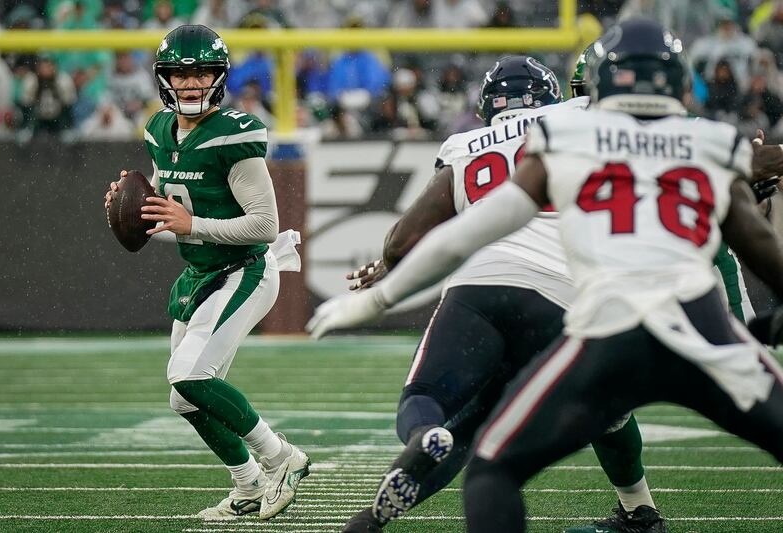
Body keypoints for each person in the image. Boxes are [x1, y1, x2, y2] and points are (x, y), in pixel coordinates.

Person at [308, 18, 783, 533]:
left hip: (600, 325)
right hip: (690, 324)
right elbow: (756, 238)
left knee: (490, 465)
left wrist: (381, 294)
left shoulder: (562, 135)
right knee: (616, 421)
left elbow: (471, 228)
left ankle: (373, 513)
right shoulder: (707, 139)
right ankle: (638, 509)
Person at [340, 56, 667, 533]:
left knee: (435, 407)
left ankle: (395, 481)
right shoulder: (579, 116)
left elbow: (402, 241)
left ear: (486, 106)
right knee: (610, 410)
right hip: (564, 293)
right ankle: (638, 508)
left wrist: (389, 266)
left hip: (479, 286)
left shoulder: (465, 143)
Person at [104, 24, 309, 521]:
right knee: (184, 398)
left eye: (202, 74)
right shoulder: (158, 130)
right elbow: (160, 208)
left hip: (246, 269)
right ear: (163, 78)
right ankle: (247, 484)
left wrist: (191, 223)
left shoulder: (234, 134)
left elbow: (265, 225)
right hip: (201, 272)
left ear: (219, 78)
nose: (191, 84)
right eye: (180, 74)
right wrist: (133, 211)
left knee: (190, 375)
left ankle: (282, 458)